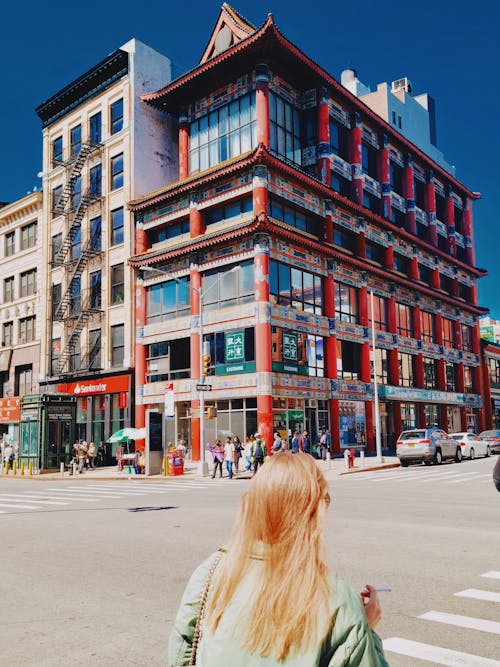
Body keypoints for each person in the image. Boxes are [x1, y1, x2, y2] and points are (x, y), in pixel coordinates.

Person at [168, 452, 389, 666]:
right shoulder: (337, 601)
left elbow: (181, 653)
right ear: (313, 512)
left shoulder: (211, 571)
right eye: (325, 499)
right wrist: (365, 631)